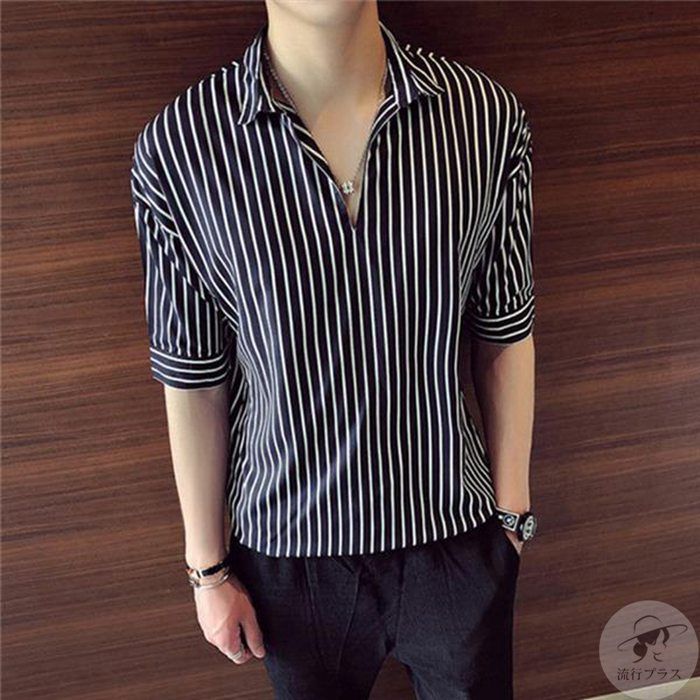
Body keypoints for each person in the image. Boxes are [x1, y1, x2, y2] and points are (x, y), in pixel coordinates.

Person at [129, 1, 538, 697]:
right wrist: (208, 570)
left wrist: (511, 518)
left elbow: (505, 328)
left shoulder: (483, 119)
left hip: (456, 534)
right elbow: (193, 376)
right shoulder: (180, 148)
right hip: (289, 557)